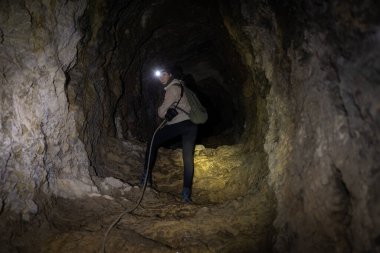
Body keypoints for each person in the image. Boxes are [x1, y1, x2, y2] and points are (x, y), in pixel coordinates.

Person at [140, 66, 198, 203]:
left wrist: (162, 109)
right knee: (188, 159)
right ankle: (186, 193)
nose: (161, 78)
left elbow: (161, 112)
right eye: (159, 75)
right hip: (192, 125)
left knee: (153, 141)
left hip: (179, 124)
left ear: (170, 75)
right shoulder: (183, 86)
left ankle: (146, 177)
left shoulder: (171, 89)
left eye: (164, 74)